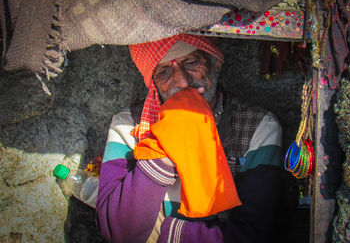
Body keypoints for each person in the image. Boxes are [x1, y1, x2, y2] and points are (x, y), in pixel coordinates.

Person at [96, 34, 282, 243]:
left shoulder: (258, 126)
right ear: (154, 83)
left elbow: (254, 234)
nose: (183, 81)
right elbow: (117, 232)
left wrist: (162, 234)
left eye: (191, 62)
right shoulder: (129, 124)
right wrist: (164, 146)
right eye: (164, 71)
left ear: (215, 63)